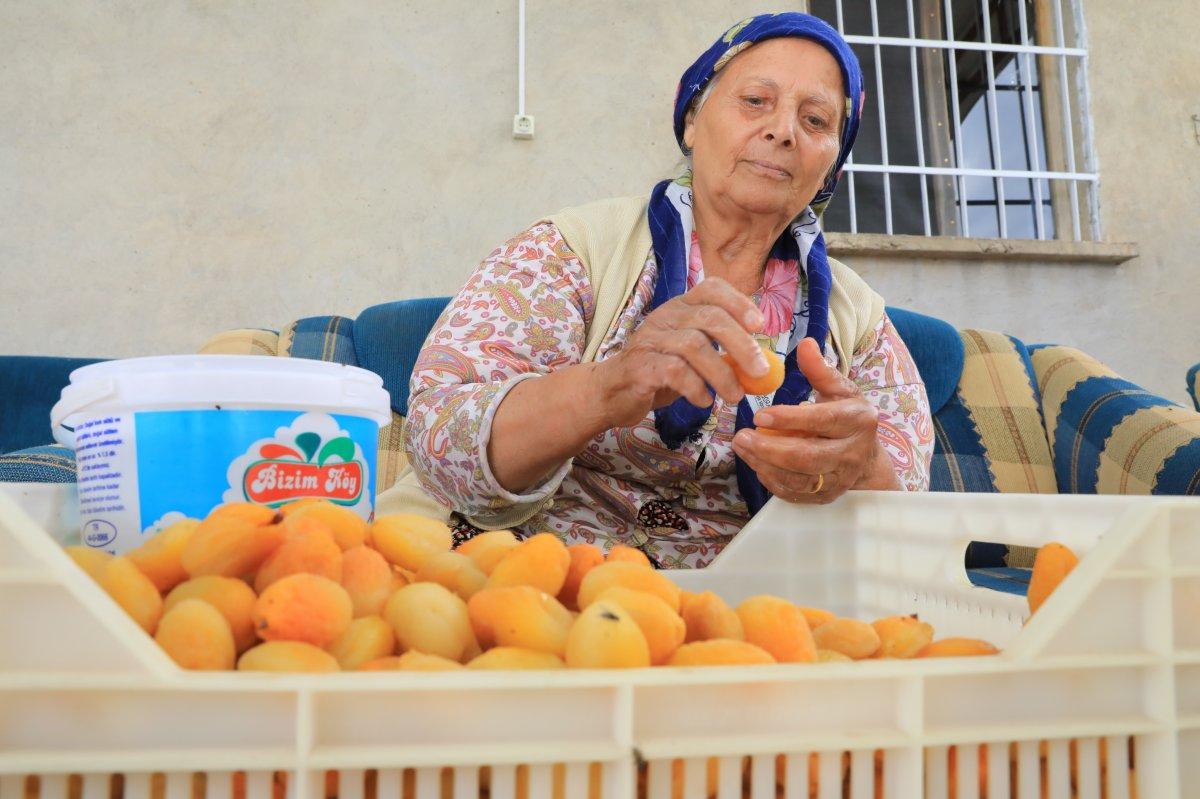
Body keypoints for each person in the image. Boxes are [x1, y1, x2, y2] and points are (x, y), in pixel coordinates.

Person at [379, 13, 933, 568]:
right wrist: (608, 385)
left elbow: (907, 530)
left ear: (832, 162)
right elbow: (439, 442)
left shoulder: (856, 321)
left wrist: (862, 472)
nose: (784, 130)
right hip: (531, 578)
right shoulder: (572, 251)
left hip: (740, 612)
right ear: (693, 119)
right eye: (756, 101)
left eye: (815, 120)